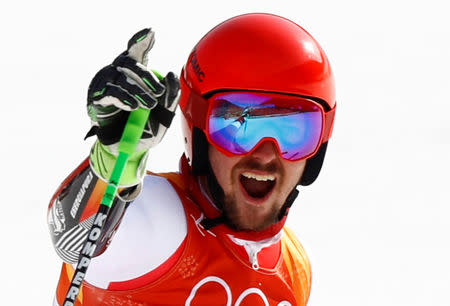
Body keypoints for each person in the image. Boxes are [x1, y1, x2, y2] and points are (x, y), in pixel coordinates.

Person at [48, 13, 336, 306]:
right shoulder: (160, 222)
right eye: (238, 126)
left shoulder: (294, 267)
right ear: (198, 132)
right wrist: (110, 166)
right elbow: (73, 241)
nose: (265, 154)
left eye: (294, 133)